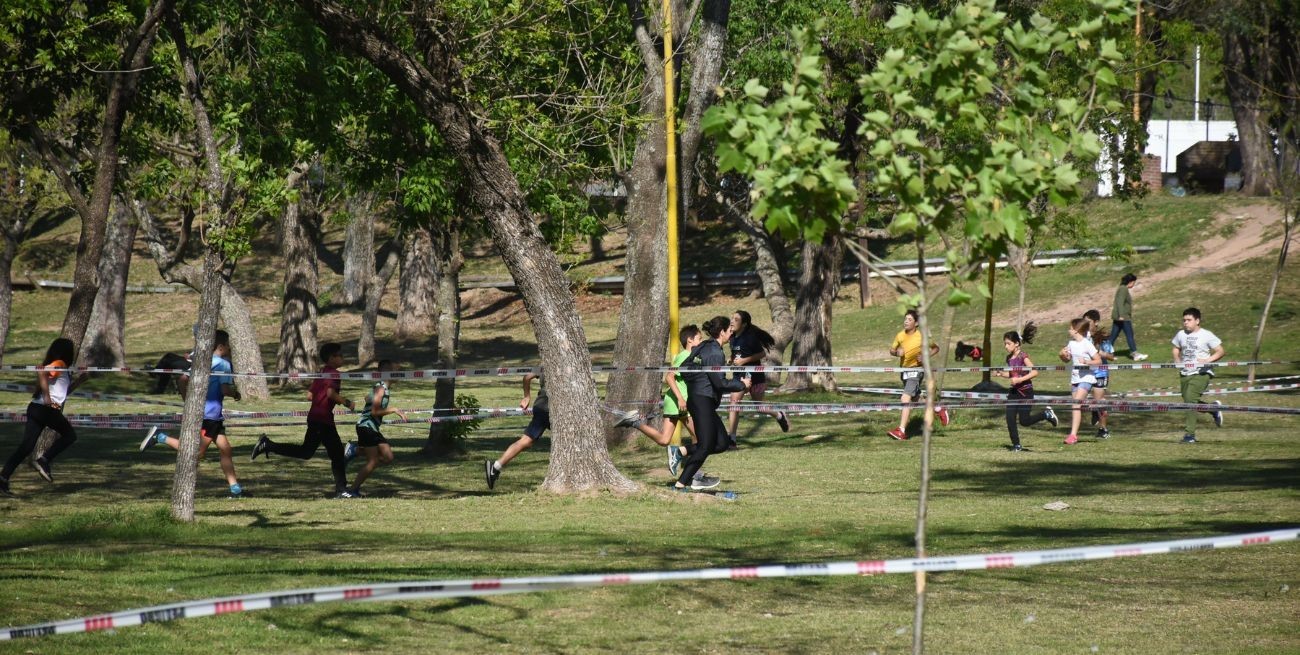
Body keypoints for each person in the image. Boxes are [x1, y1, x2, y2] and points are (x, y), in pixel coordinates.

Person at [139, 330, 246, 497]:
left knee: (226, 449)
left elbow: (182, 380)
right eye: (228, 345)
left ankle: (235, 488)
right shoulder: (224, 364)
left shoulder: (202, 362)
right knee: (197, 453)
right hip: (209, 416)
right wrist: (236, 394)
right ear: (221, 346)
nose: (230, 348)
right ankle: (160, 437)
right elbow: (225, 390)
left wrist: (188, 402)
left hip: (213, 416)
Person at [250, 343, 356, 496]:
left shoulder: (322, 373)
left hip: (317, 418)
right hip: (322, 420)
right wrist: (347, 402)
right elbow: (331, 393)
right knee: (334, 454)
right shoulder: (333, 373)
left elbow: (309, 395)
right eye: (340, 355)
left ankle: (268, 445)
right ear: (332, 358)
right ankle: (341, 490)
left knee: (310, 452)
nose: (343, 358)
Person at [0, 338, 89, 496]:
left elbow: (62, 394)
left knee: (26, 447)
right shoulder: (60, 363)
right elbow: (42, 370)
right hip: (46, 409)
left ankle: (3, 479)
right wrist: (47, 397)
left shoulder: (63, 368)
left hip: (37, 408)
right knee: (70, 435)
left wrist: (80, 380)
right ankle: (43, 460)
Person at [673, 316, 750, 491]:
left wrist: (700, 380)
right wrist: (741, 385)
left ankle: (680, 452)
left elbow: (687, 369)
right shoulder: (714, 352)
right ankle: (681, 484)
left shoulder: (705, 346)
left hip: (703, 401)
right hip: (702, 401)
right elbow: (720, 383)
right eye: (730, 330)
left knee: (722, 443)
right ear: (721, 332)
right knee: (706, 446)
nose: (732, 333)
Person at [614, 325, 702, 478]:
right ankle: (693, 473)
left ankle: (634, 422)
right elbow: (669, 377)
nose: (701, 342)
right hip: (679, 403)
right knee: (701, 440)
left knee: (664, 440)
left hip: (674, 402)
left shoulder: (693, 357)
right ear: (690, 340)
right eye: (699, 339)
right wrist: (681, 398)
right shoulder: (684, 356)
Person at [724, 310, 789, 447]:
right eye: (732, 318)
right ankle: (732, 439)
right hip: (739, 376)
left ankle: (779, 414)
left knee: (759, 406)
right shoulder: (732, 337)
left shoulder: (750, 337)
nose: (732, 321)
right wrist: (731, 360)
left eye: (736, 319)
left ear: (744, 324)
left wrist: (744, 361)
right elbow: (736, 353)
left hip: (755, 376)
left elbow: (761, 354)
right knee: (734, 403)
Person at [342, 360, 406, 497]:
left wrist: (371, 397)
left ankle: (356, 450)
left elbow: (367, 398)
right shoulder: (381, 388)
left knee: (388, 457)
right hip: (366, 427)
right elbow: (374, 412)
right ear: (388, 373)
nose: (400, 375)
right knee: (373, 461)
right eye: (397, 372)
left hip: (372, 429)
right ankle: (351, 490)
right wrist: (393, 409)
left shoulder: (381, 388)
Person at [991, 323, 1057, 451]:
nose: (1006, 346)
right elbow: (1011, 374)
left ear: (1016, 343)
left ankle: (1046, 414)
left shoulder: (1023, 356)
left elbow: (1035, 372)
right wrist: (1000, 374)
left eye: (1008, 343)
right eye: (1005, 343)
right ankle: (1016, 445)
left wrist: (1020, 379)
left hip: (1026, 392)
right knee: (1010, 419)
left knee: (1024, 421)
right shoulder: (1009, 358)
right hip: (1014, 392)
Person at [886, 309, 950, 440]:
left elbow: (936, 348)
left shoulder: (922, 336)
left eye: (909, 320)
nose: (906, 322)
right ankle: (938, 408)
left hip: (916, 371)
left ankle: (902, 430)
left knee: (905, 399)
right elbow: (891, 350)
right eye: (905, 319)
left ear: (916, 323)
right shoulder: (900, 336)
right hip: (904, 372)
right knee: (915, 399)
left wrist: (926, 355)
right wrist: (896, 353)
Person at [484, 372, 551, 490]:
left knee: (526, 440)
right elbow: (527, 377)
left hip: (541, 405)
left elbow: (527, 377)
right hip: (549, 407)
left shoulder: (546, 361)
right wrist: (526, 397)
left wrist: (527, 396)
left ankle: (496, 467)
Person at [1171, 307, 1225, 443]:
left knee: (1190, 401)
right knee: (1188, 400)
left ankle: (1190, 435)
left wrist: (1207, 360)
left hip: (1202, 373)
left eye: (1189, 320)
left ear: (1197, 321)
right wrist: (1177, 360)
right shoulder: (1180, 334)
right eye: (1184, 320)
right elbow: (1175, 348)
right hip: (1185, 373)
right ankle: (1213, 409)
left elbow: (1220, 351)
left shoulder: (1207, 335)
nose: (1185, 323)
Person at [1057, 318, 1101, 445]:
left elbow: (1098, 361)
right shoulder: (1071, 344)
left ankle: (1073, 435)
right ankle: (1093, 408)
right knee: (1077, 407)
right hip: (1075, 378)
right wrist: (1062, 354)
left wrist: (1087, 362)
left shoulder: (1087, 344)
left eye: (1070, 328)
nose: (1069, 330)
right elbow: (1066, 360)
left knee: (1075, 405)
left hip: (1087, 378)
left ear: (1076, 330)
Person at [1084, 309, 1115, 439]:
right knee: (1080, 400)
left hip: (1100, 372)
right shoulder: (1082, 337)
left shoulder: (1102, 337)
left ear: (1096, 322)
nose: (1085, 324)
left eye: (1088, 322)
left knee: (1099, 401)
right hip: (1084, 372)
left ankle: (1103, 429)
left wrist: (1098, 352)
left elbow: (1111, 356)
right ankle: (1094, 411)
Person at [1106, 274, 1148, 361]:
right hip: (1123, 317)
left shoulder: (1122, 288)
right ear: (1131, 282)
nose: (1134, 284)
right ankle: (1135, 354)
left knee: (1113, 335)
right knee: (1129, 335)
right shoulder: (1123, 289)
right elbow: (1120, 302)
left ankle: (1106, 353)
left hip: (1119, 317)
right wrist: (1121, 315)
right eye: (1134, 282)